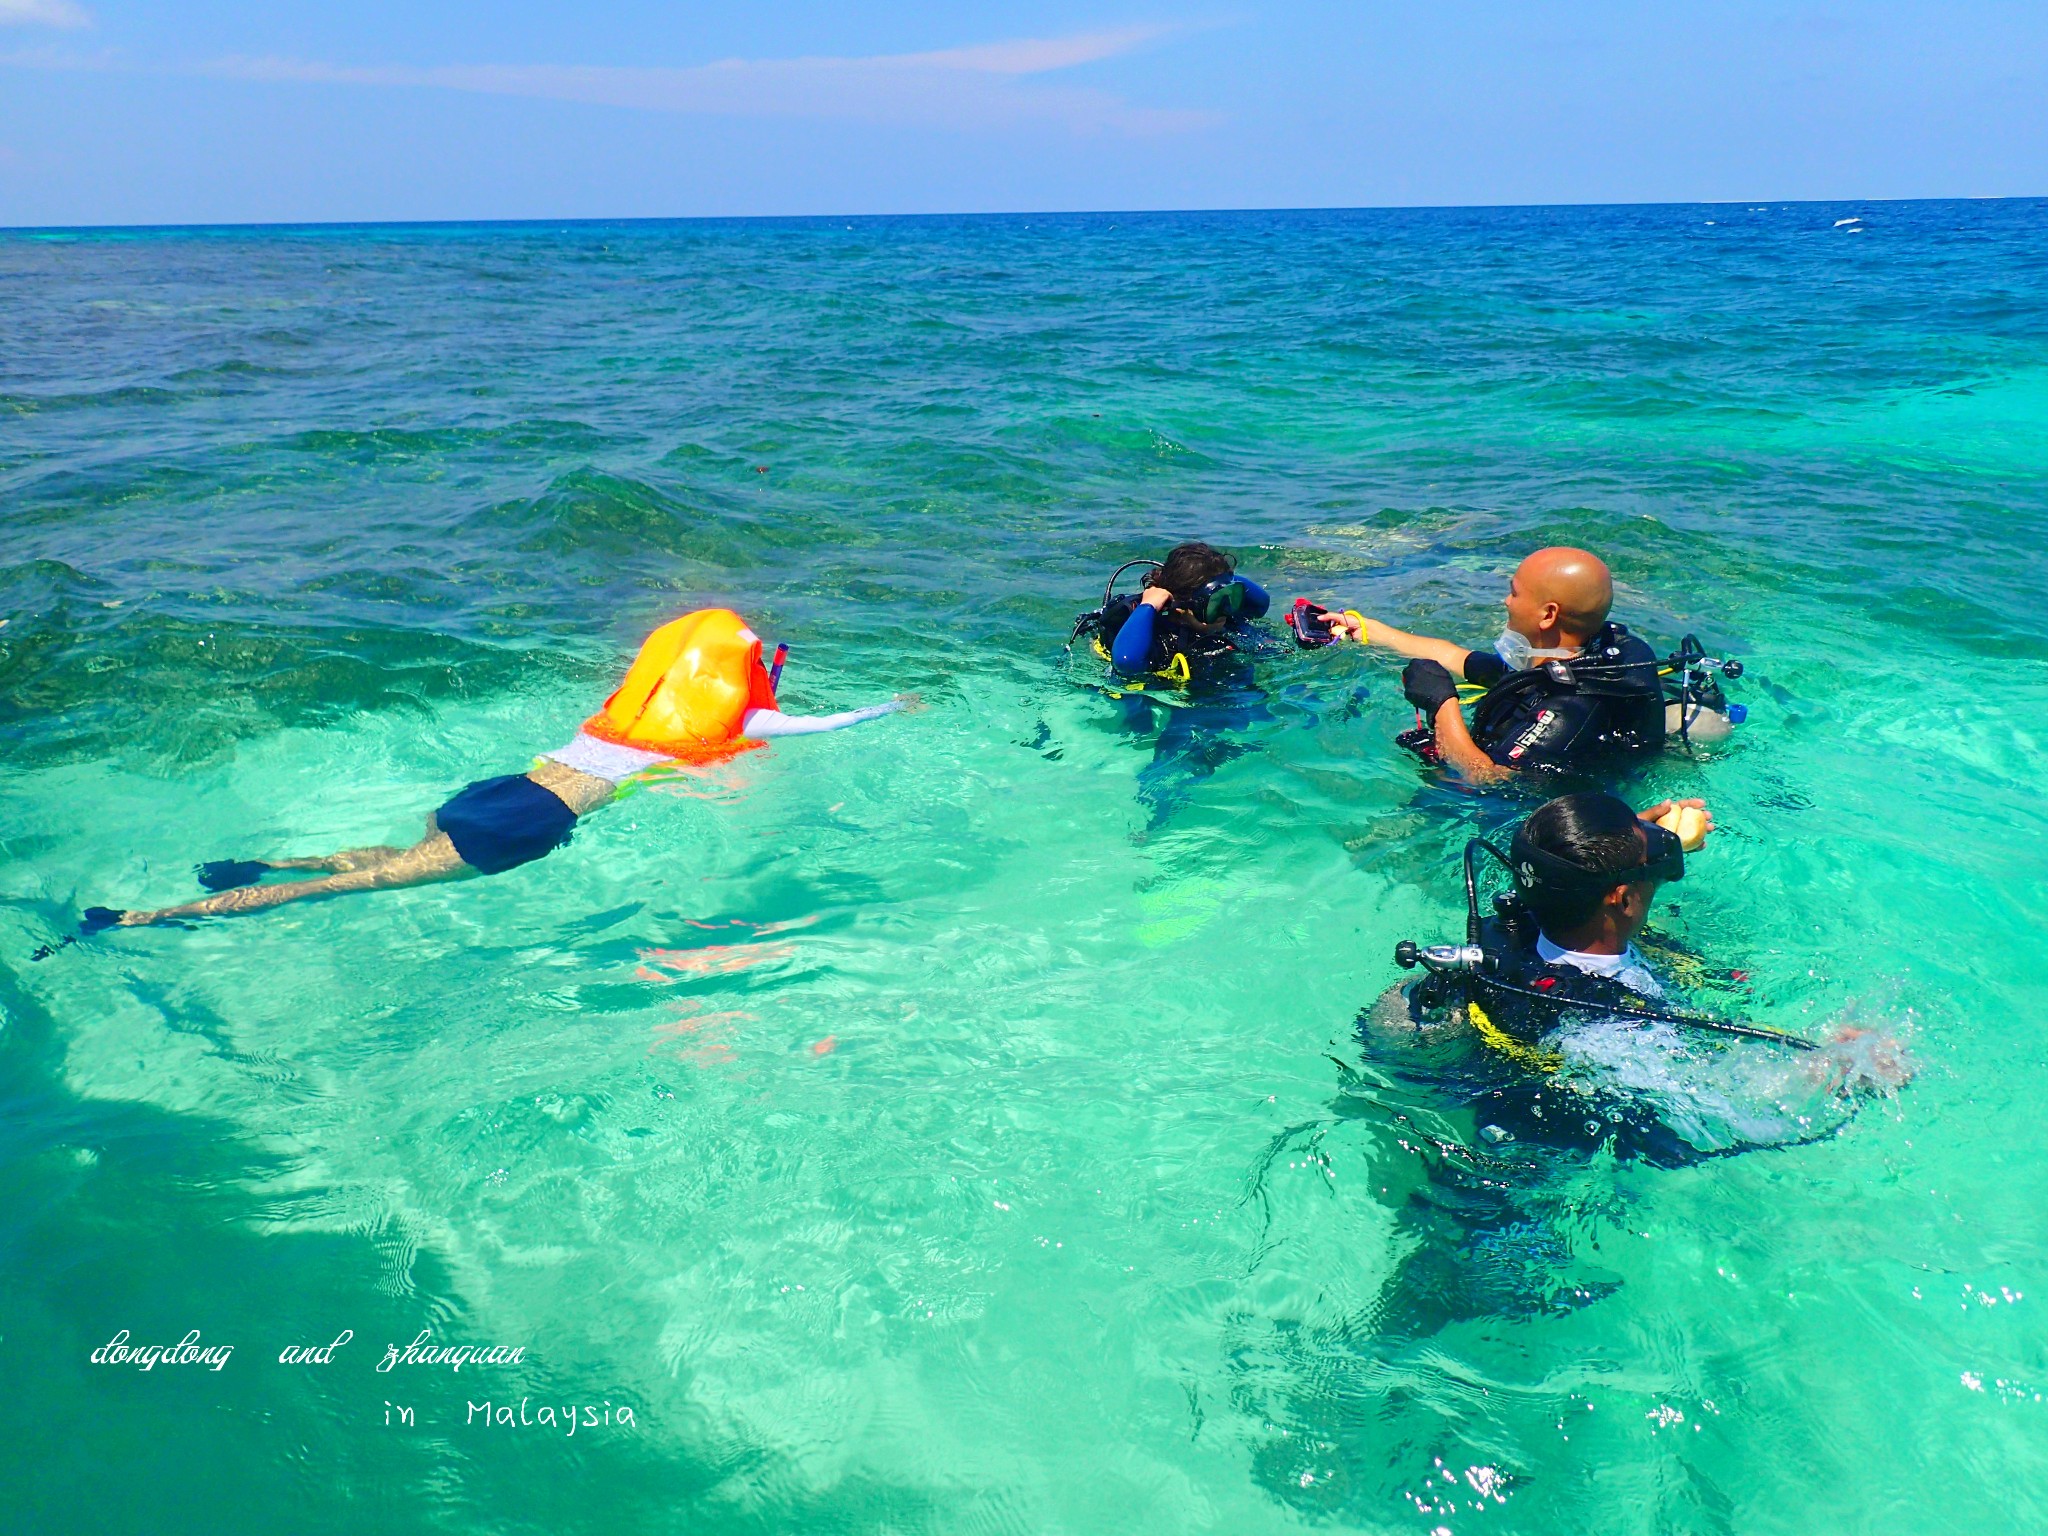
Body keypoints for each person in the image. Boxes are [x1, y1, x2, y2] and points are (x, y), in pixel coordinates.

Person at [80, 609, 911, 931]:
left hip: (501, 790)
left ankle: (267, 863)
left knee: (395, 858)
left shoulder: (637, 697)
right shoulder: (740, 714)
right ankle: (150, 917)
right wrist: (895, 708)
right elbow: (825, 722)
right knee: (354, 889)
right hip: (534, 822)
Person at [1322, 546, 1665, 783]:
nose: (1506, 601)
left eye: (1514, 593)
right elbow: (1455, 656)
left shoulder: (1571, 706)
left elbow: (1489, 779)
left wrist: (1441, 705)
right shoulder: (1563, 659)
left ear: (1548, 614)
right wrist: (1367, 629)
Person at [1101, 541, 1271, 680]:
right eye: (1216, 602)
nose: (1227, 609)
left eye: (1230, 595)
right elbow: (1127, 664)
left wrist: (1224, 579)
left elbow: (1261, 604)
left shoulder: (1225, 619)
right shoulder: (1157, 639)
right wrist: (1149, 606)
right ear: (1181, 608)